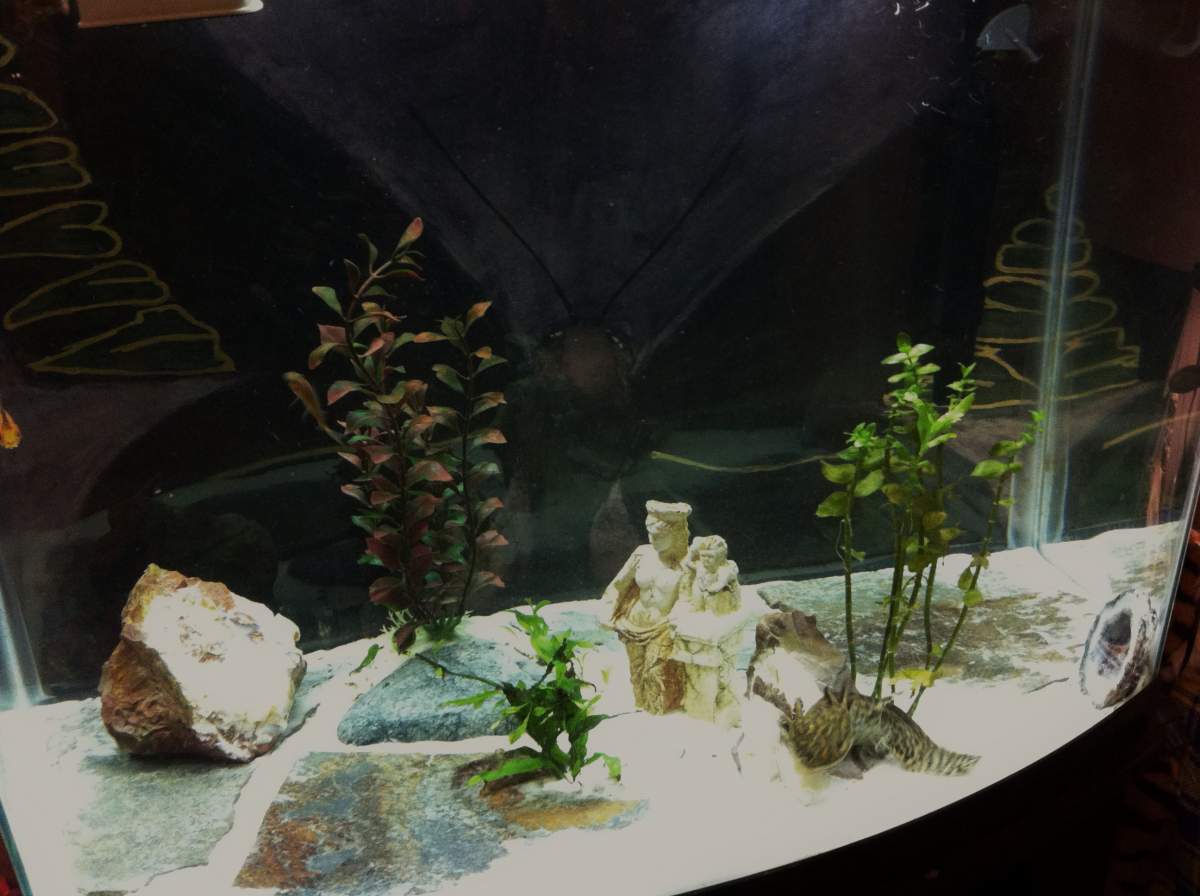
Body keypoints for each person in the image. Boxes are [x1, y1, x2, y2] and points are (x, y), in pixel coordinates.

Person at [601, 500, 691, 713]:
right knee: (637, 673)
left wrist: (680, 622)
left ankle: (660, 712)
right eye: (650, 534)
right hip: (632, 623)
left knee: (656, 674)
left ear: (675, 533)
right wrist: (606, 610)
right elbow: (618, 586)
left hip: (663, 627)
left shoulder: (687, 562)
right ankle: (642, 710)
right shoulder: (642, 554)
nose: (652, 540)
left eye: (659, 536)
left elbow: (690, 600)